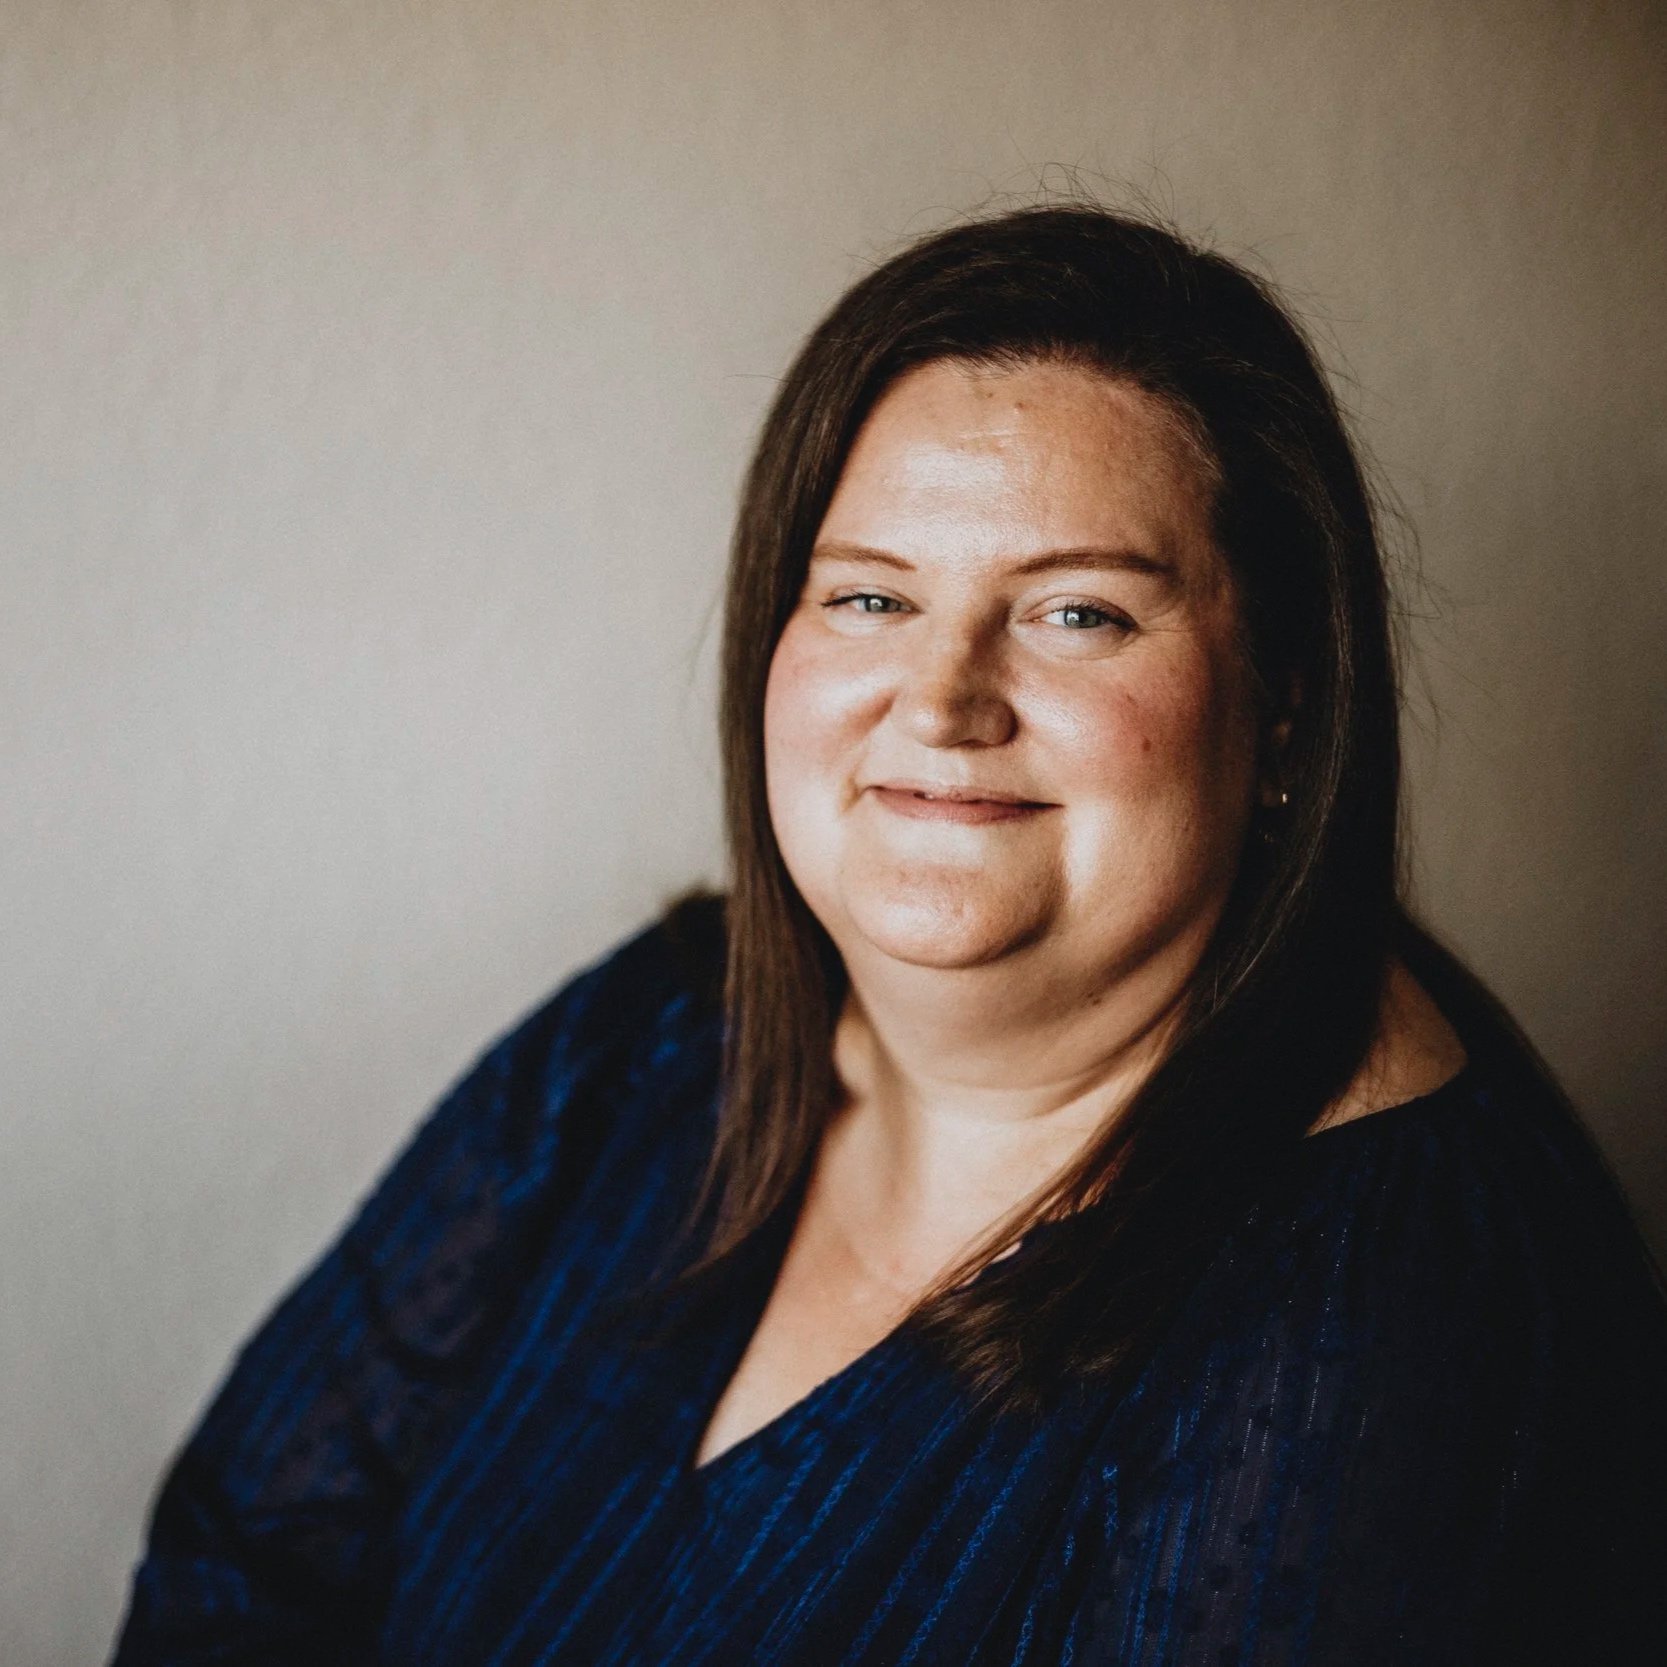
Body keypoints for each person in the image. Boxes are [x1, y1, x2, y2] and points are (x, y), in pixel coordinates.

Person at [111, 204, 1667, 1665]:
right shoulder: (659, 1033)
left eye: (1079, 613)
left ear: (1282, 713)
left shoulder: (1372, 1334)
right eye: (868, 599)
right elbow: (245, 1555)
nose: (941, 701)